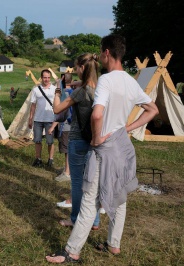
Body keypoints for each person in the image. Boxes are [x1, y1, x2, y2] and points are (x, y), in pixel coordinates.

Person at [46, 34, 159, 264]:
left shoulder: (107, 80)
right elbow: (152, 109)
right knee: (119, 196)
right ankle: (113, 245)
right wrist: (126, 128)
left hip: (105, 147)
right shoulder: (129, 81)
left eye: (101, 51)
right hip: (122, 146)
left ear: (107, 52)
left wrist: (96, 138)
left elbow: (97, 114)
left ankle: (72, 251)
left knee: (89, 199)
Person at [52, 54, 101, 231]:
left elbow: (57, 109)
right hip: (95, 141)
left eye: (76, 67)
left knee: (78, 183)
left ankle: (75, 219)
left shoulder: (80, 92)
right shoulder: (100, 88)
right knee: (92, 183)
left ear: (82, 68)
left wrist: (57, 91)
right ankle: (94, 221)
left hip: (78, 140)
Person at [28, 69, 57, 167]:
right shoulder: (36, 90)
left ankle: (50, 159)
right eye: (45, 77)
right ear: (41, 78)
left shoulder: (54, 89)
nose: (47, 79)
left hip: (50, 119)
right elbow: (33, 105)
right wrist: (30, 118)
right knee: (37, 140)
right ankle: (38, 159)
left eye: (48, 77)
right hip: (38, 119)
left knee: (50, 141)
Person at [54, 73, 72, 182]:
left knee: (67, 150)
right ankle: (68, 169)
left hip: (65, 126)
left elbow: (57, 109)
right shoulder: (75, 91)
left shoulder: (64, 93)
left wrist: (57, 88)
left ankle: (67, 173)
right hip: (73, 126)